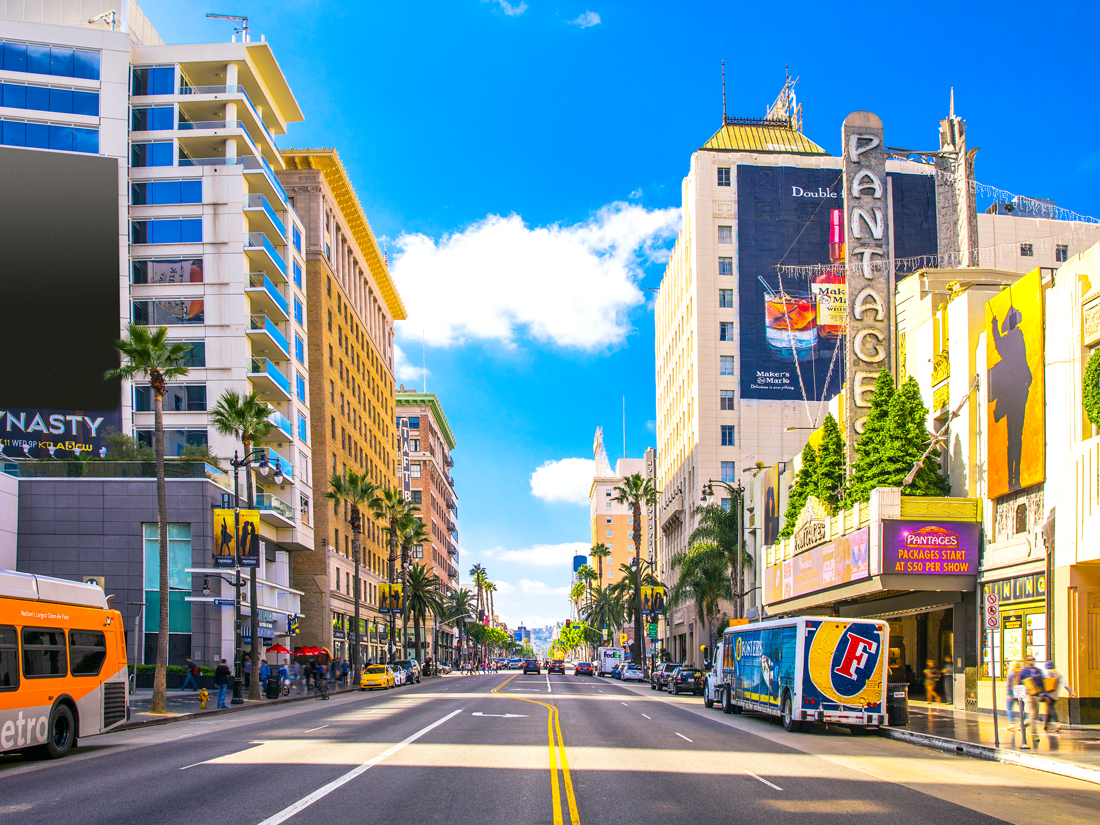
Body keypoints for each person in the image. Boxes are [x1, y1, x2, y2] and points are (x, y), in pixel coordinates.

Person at [1017, 655, 1045, 747]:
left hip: (1036, 694)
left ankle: (1024, 723)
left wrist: (1043, 693)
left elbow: (1042, 683)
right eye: (1030, 660)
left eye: (1033, 660)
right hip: (1028, 695)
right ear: (1027, 661)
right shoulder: (1024, 672)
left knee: (1035, 715)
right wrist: (1025, 691)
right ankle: (1034, 733)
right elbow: (1019, 683)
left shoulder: (1038, 671)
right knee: (1033, 713)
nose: (1032, 661)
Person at [1041, 660, 1074, 733]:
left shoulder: (1045, 673)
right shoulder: (1058, 674)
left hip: (1047, 694)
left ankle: (1057, 724)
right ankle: (1047, 725)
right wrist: (1071, 692)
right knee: (1049, 709)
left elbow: (1042, 684)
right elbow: (1065, 684)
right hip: (1055, 695)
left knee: (1051, 709)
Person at [1005, 660, 1022, 730]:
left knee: (1009, 708)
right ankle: (1022, 723)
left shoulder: (1011, 672)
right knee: (1021, 708)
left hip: (1012, 690)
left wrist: (1008, 693)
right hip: (1020, 691)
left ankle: (1012, 723)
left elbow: (1008, 683)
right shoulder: (1021, 672)